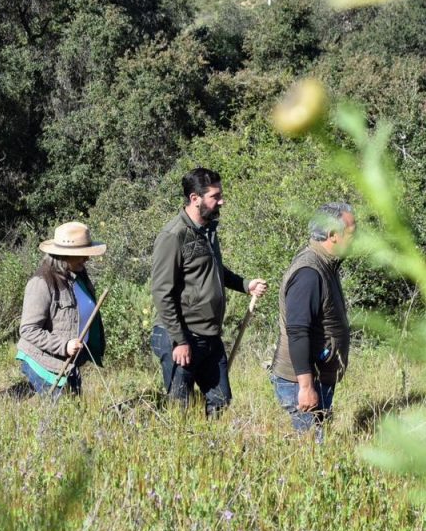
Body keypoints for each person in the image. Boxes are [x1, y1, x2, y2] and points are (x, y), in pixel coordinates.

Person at [150, 168, 268, 416]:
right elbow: (162, 292)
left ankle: (213, 447)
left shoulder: (208, 230)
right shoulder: (174, 236)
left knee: (221, 401)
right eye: (215, 196)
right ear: (195, 198)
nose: (221, 201)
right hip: (181, 336)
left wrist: (246, 285)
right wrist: (180, 340)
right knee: (180, 409)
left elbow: (213, 270)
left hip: (209, 335)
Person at [270, 202, 356, 440]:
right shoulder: (309, 272)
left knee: (316, 447)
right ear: (332, 235)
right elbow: (297, 331)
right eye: (351, 234)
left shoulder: (326, 264)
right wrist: (306, 388)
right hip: (301, 383)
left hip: (317, 376)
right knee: (309, 451)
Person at [16, 222, 106, 398]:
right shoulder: (41, 282)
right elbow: (28, 329)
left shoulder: (78, 276)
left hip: (69, 363)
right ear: (64, 255)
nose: (86, 258)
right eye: (81, 254)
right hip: (45, 363)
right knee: (61, 418)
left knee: (73, 413)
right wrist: (64, 346)